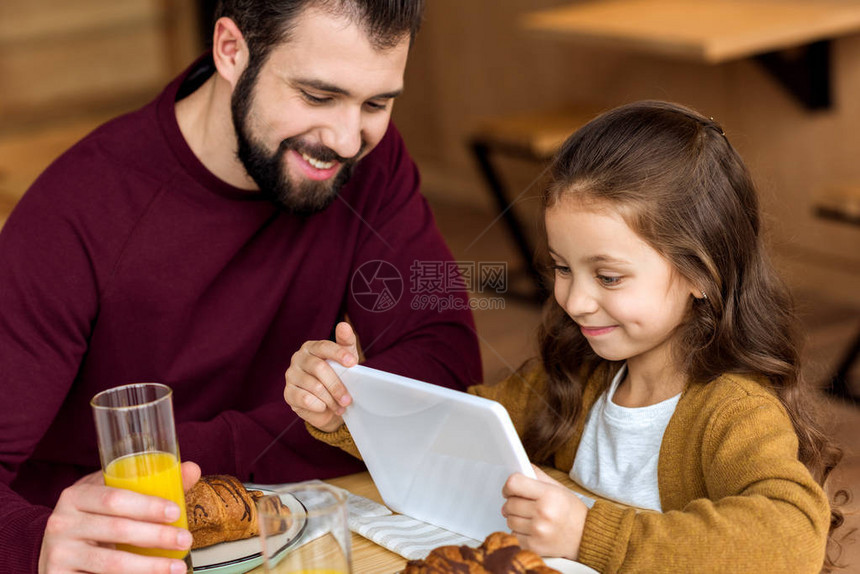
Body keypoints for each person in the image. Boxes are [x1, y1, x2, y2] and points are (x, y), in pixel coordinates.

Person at [0, 1, 482, 572]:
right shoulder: (79, 210)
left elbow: (446, 363)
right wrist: (37, 544)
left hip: (299, 523)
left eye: (376, 103)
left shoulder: (368, 163)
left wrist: (208, 455)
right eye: (318, 96)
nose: (349, 139)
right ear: (232, 50)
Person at [289, 101, 845, 573]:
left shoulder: (734, 411)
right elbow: (459, 431)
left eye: (607, 277)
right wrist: (351, 408)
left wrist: (591, 534)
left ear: (702, 273)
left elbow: (790, 538)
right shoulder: (579, 376)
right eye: (561, 267)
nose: (575, 301)